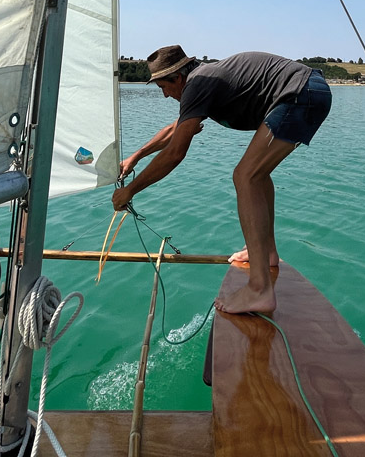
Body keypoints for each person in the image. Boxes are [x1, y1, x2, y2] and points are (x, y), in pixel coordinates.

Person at [112, 46, 332, 315]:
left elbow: (175, 153)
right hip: (308, 89)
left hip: (299, 93)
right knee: (257, 174)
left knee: (245, 176)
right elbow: (176, 129)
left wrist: (130, 191)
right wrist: (137, 155)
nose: (165, 95)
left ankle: (260, 290)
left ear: (178, 77)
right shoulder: (202, 80)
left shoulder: (197, 83)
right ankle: (267, 253)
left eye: (163, 87)